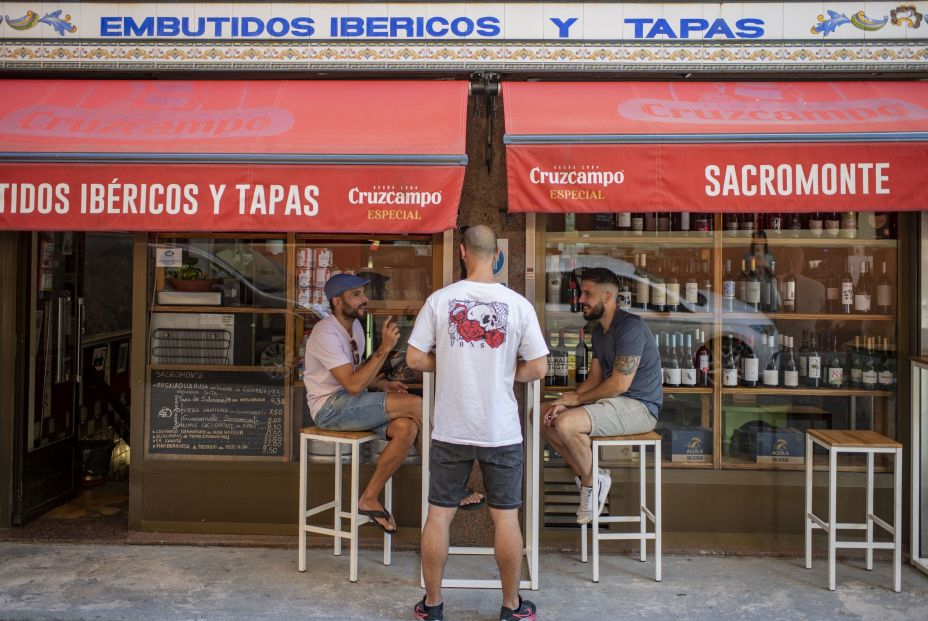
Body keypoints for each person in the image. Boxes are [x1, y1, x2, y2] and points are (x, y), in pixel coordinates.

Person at [407, 225, 548, 621]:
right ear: (498, 257)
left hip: (450, 427)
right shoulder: (518, 304)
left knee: (439, 515)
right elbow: (538, 366)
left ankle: (431, 606)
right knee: (506, 517)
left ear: (463, 252)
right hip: (500, 430)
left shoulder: (440, 300)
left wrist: (448, 364)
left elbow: (415, 358)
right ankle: (511, 606)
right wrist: (505, 373)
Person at [303, 273, 425, 535]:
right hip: (330, 409)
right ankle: (446, 483)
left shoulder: (355, 328)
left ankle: (369, 498)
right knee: (416, 406)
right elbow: (353, 384)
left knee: (406, 427)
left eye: (363, 293)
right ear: (337, 301)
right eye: (356, 295)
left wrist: (381, 385)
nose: (364, 299)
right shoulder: (325, 332)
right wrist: (384, 348)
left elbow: (358, 374)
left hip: (351, 403)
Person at [541, 267, 663, 525]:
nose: (581, 299)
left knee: (566, 423)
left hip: (640, 407)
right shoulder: (599, 332)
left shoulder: (630, 327)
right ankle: (592, 477)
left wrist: (575, 401)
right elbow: (595, 379)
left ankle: (590, 482)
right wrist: (566, 400)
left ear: (607, 297)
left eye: (587, 294)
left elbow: (619, 383)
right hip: (613, 403)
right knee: (543, 414)